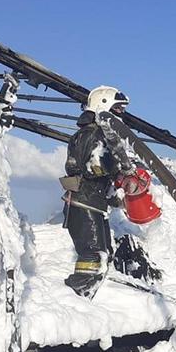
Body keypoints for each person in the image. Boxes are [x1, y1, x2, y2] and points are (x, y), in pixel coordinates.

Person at [61, 85, 133, 298]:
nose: (121, 114)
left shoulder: (98, 134)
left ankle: (87, 300)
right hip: (83, 203)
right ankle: (76, 298)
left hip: (92, 203)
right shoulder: (91, 133)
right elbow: (93, 168)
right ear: (103, 106)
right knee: (93, 258)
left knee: (103, 255)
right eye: (118, 109)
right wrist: (119, 166)